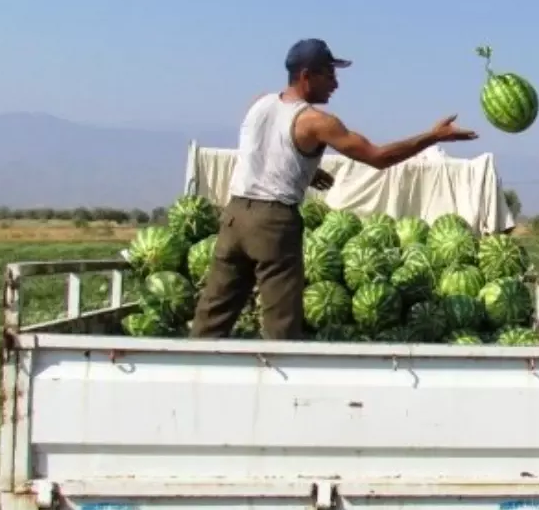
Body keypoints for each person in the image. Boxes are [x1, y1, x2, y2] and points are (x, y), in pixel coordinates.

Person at [190, 38, 478, 340]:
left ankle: (189, 373)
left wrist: (305, 170)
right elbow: (378, 157)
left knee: (212, 315)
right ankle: (282, 383)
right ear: (306, 76)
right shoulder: (316, 122)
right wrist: (433, 137)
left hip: (234, 217)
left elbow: (265, 149)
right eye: (329, 74)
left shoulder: (259, 103)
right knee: (281, 327)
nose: (335, 84)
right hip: (272, 224)